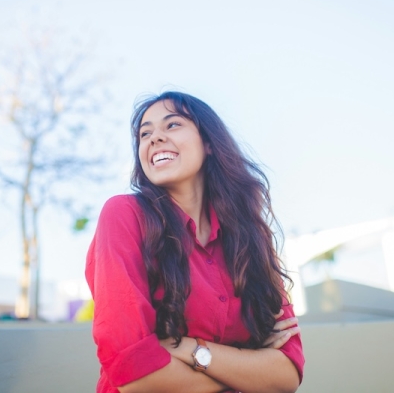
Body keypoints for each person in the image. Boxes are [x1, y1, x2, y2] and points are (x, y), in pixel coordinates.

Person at [85, 91, 304, 393]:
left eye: (172, 125)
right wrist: (246, 370)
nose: (154, 138)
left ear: (209, 143)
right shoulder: (124, 215)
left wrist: (188, 350)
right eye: (144, 133)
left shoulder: (252, 238)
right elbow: (135, 374)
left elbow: (287, 374)